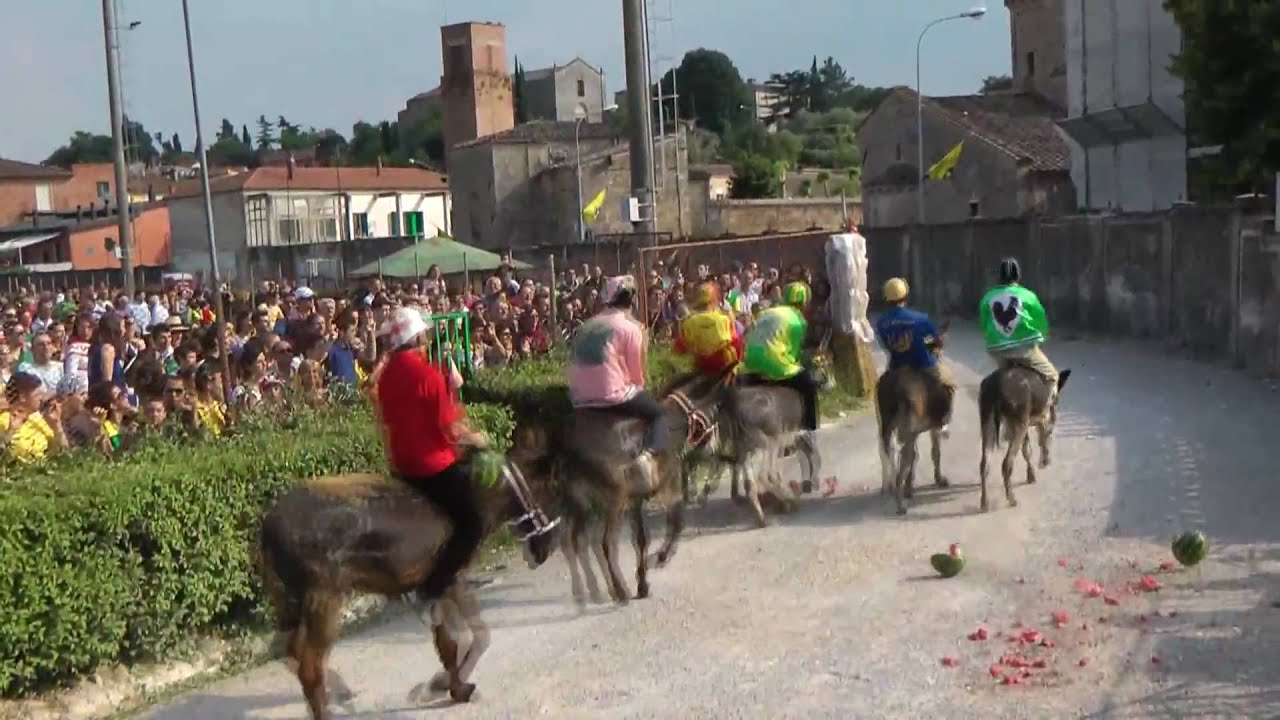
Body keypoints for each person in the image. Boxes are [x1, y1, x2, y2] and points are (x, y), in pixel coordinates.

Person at [376, 306, 490, 602]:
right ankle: (438, 582)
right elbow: (450, 429)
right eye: (424, 333)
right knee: (473, 523)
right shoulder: (428, 374)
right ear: (416, 337)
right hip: (434, 466)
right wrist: (476, 438)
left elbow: (385, 423)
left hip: (403, 465)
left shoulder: (385, 375)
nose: (427, 337)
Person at [567, 275, 668, 485]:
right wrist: (642, 388)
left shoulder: (587, 325)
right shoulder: (632, 328)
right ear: (632, 300)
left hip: (578, 398)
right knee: (660, 414)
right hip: (613, 397)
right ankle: (648, 455)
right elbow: (637, 375)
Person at [875, 277, 955, 431]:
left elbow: (887, 345)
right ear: (905, 296)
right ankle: (942, 421)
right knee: (948, 383)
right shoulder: (920, 319)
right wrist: (937, 342)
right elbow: (934, 343)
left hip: (896, 368)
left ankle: (885, 430)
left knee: (881, 388)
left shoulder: (881, 322)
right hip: (923, 366)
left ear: (886, 298)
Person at [740, 281, 819, 431]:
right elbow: (795, 352)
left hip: (749, 363)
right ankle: (809, 429)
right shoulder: (799, 320)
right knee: (808, 386)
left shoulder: (766, 312)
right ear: (804, 302)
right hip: (775, 365)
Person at [978, 257, 1060, 400]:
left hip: (998, 350)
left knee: (999, 376)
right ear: (1018, 275)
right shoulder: (1028, 295)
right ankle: (1046, 411)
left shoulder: (987, 297)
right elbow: (1041, 321)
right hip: (1025, 350)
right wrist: (1043, 336)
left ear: (1000, 277)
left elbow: (984, 326)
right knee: (1053, 376)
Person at [674, 281, 742, 377]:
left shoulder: (688, 322)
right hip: (723, 370)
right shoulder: (725, 320)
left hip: (696, 369)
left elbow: (678, 349)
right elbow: (736, 344)